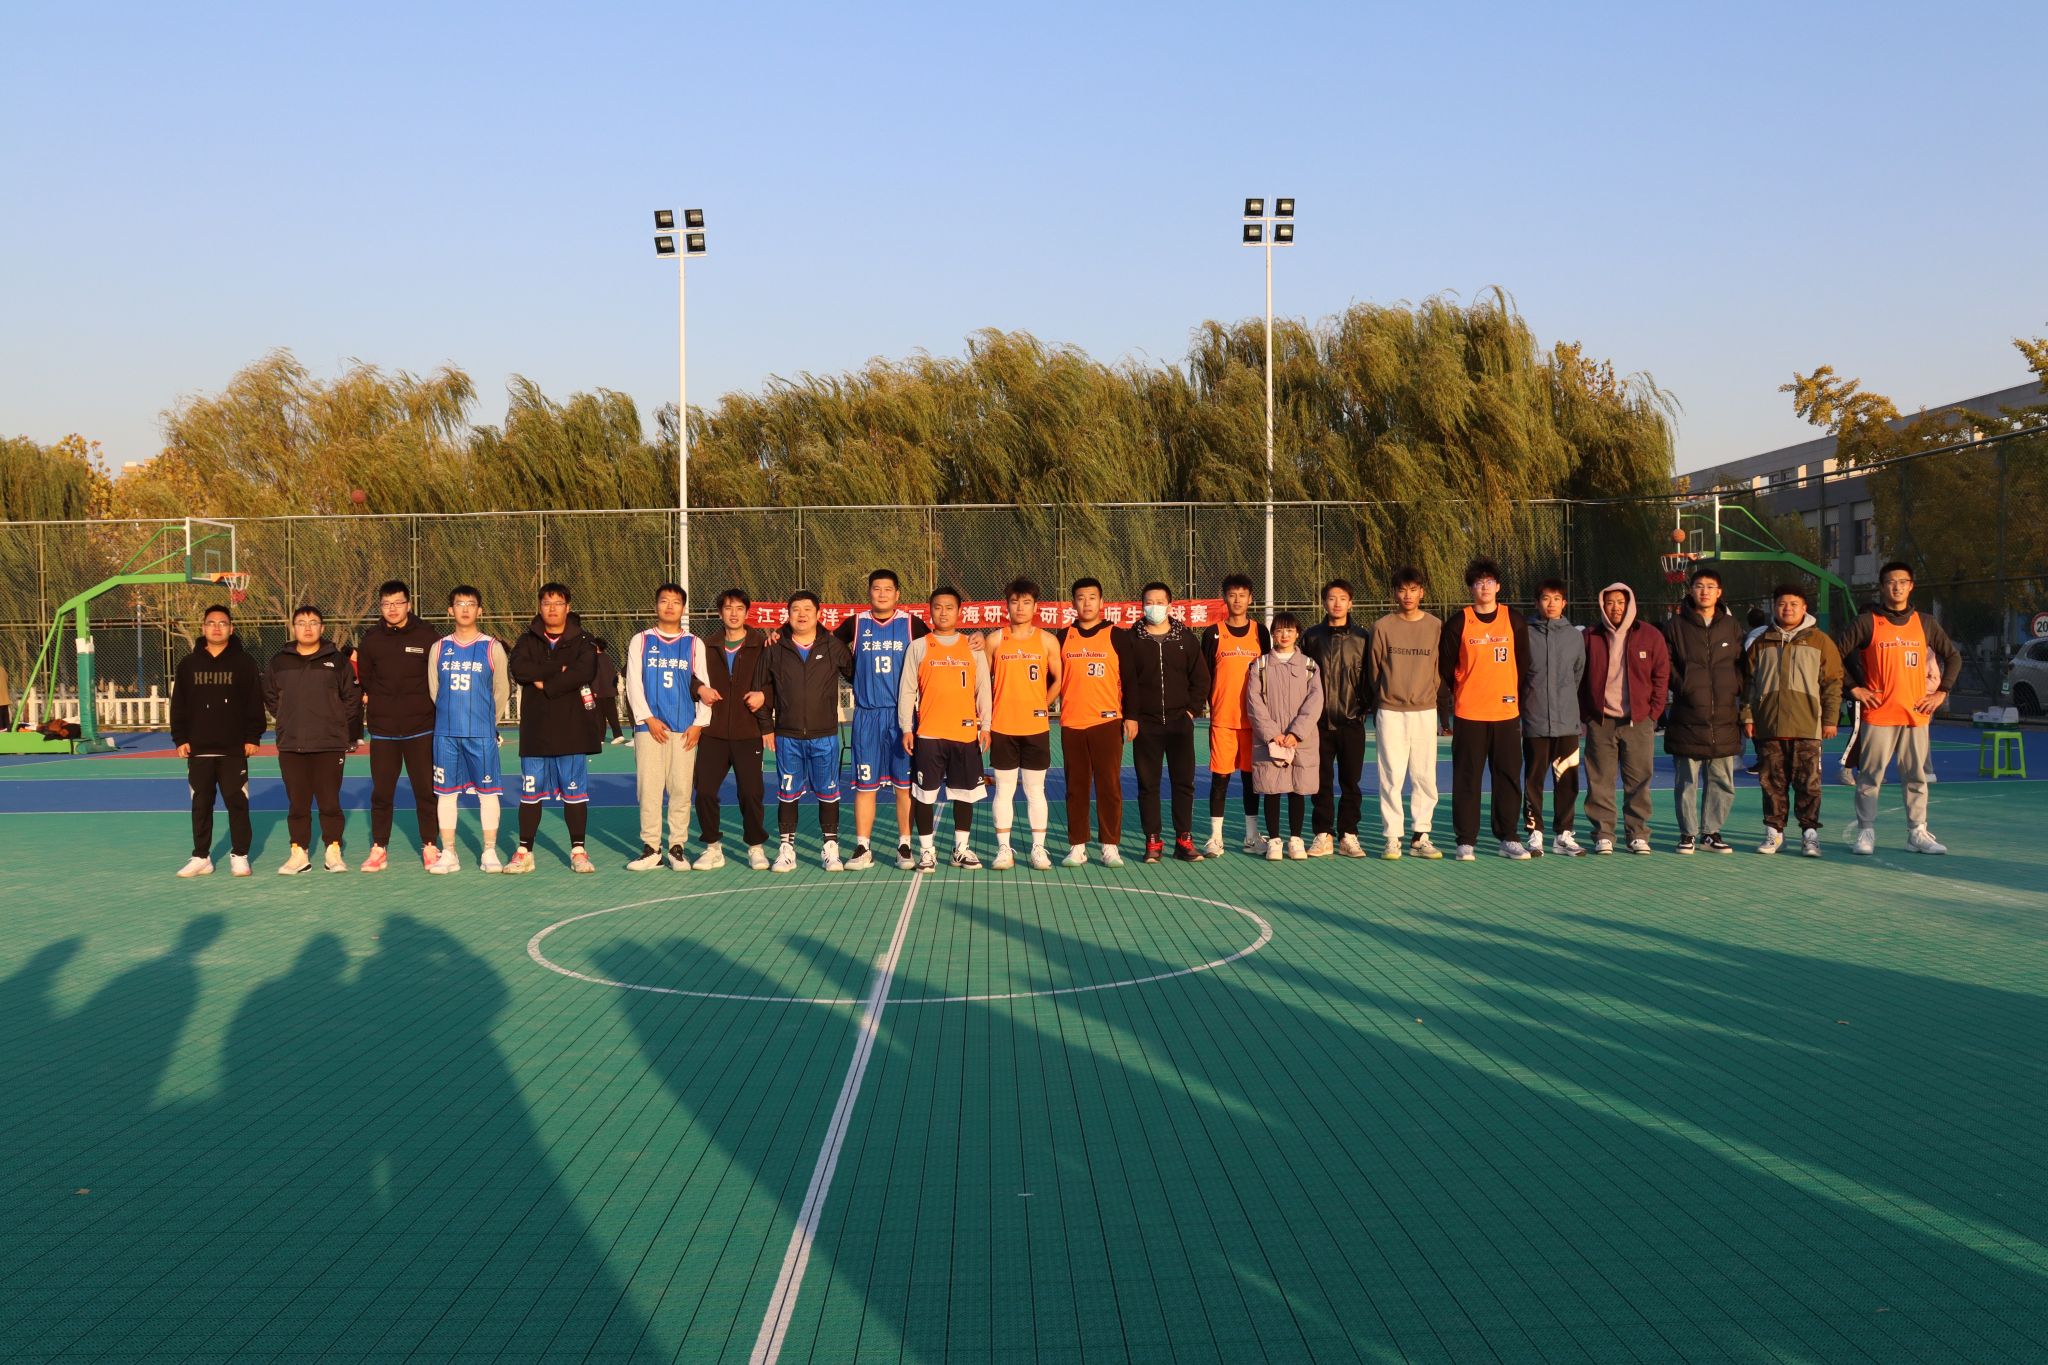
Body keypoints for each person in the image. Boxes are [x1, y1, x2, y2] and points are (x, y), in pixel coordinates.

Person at [1836, 561, 1962, 855]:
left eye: (1903, 582)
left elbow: (1953, 657)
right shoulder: (1867, 622)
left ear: (1911, 586)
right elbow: (1833, 655)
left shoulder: (1925, 623)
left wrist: (1941, 692)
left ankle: (1917, 833)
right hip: (1878, 714)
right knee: (1870, 777)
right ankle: (1866, 832)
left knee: (1916, 777)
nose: (1897, 587)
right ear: (1882, 587)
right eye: (1891, 582)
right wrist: (1853, 688)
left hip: (1916, 715)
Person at [835, 569, 928, 870]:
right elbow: (828, 646)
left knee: (904, 785)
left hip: (902, 717)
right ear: (869, 592)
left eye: (888, 589)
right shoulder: (856, 623)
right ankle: (863, 847)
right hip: (867, 714)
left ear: (898, 593)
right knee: (866, 785)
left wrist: (974, 639)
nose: (883, 594)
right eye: (877, 588)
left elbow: (939, 644)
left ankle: (905, 845)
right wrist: (853, 674)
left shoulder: (911, 624)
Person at [1440, 558, 1532, 860]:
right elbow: (1446, 667)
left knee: (1508, 777)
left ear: (1498, 586)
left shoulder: (1514, 620)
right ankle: (1466, 840)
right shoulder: (1459, 622)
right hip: (1470, 714)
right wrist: (1466, 689)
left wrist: (1508, 694)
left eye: (1489, 582)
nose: (1484, 587)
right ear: (1471, 588)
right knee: (1467, 779)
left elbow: (1523, 663)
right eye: (1478, 582)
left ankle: (1508, 837)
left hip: (1505, 713)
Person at [504, 583, 600, 874]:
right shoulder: (527, 639)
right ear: (540, 607)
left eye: (558, 603)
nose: (552, 608)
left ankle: (578, 851)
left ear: (568, 607)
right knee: (530, 793)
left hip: (572, 728)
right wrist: (558, 669)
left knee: (575, 794)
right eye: (547, 603)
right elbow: (519, 669)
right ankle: (524, 851)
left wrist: (546, 684)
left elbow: (584, 672)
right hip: (536, 730)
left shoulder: (583, 640)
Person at [1743, 584, 1843, 857]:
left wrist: (1830, 719)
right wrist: (1748, 715)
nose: (1787, 609)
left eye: (1793, 604)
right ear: (1774, 607)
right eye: (1781, 604)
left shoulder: (1820, 641)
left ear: (1804, 608)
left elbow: (1833, 683)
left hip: (1807, 726)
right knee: (1771, 783)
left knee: (1808, 784)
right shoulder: (1761, 641)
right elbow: (1748, 684)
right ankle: (1774, 833)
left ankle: (1810, 834)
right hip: (1769, 726)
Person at [898, 587, 992, 870]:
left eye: (949, 607)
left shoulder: (973, 647)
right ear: (930, 611)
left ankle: (960, 849)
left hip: (964, 734)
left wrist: (986, 725)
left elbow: (983, 688)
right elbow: (907, 690)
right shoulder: (919, 646)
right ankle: (927, 851)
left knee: (964, 794)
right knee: (924, 794)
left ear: (959, 612)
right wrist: (906, 727)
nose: (943, 612)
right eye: (938, 607)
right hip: (929, 734)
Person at [170, 604, 266, 877]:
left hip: (233, 749)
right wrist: (180, 738)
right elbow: (179, 705)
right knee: (201, 805)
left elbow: (253, 702)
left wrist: (253, 736)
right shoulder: (188, 665)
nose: (216, 627)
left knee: (237, 803)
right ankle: (201, 856)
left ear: (231, 629)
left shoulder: (244, 663)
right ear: (203, 628)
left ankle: (240, 855)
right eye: (211, 622)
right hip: (199, 749)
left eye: (222, 623)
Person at [763, 590, 856, 872]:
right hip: (787, 735)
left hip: (824, 735)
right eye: (795, 609)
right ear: (788, 615)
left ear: (818, 614)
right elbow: (763, 688)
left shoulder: (833, 646)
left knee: (828, 792)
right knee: (787, 791)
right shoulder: (775, 647)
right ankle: (786, 850)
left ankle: (830, 848)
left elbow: (856, 675)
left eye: (807, 609)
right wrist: (766, 726)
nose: (801, 614)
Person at [353, 579, 441, 873]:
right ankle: (379, 848)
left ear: (409, 605)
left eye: (398, 603)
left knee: (425, 792)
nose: (392, 609)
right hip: (384, 731)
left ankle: (430, 845)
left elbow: (436, 676)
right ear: (381, 607)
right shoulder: (371, 640)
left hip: (421, 728)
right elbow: (366, 678)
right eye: (386, 604)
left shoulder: (428, 636)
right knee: (382, 793)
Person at [265, 605, 361, 874]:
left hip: (329, 744)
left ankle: (333, 851)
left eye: (313, 622)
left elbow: (351, 699)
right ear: (293, 628)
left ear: (322, 628)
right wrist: (288, 718)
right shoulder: (279, 662)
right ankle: (299, 853)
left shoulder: (337, 661)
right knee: (298, 804)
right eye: (301, 623)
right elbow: (270, 696)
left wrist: (335, 723)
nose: (307, 628)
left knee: (330, 802)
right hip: (291, 743)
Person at [623, 584, 711, 872]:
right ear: (656, 605)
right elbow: (633, 683)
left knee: (681, 789)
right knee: (648, 789)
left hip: (684, 728)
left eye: (676, 602)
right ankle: (651, 848)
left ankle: (677, 847)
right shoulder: (641, 640)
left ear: (683, 608)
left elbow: (703, 683)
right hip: (650, 728)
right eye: (664, 601)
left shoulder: (694, 643)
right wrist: (647, 718)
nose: (670, 606)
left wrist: (699, 724)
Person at [1662, 565, 1748, 854]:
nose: (1705, 591)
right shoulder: (1676, 626)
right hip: (1688, 715)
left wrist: (1734, 687)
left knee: (1722, 779)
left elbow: (1742, 664)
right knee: (1687, 780)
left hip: (1723, 716)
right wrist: (1683, 685)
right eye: (1699, 586)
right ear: (1691, 590)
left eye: (1710, 587)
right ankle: (1687, 833)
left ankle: (1711, 833)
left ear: (1719, 592)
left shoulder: (1731, 626)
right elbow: (1666, 663)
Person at [1123, 582, 1211, 862]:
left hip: (1179, 723)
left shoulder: (1185, 638)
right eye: (1149, 602)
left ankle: (1184, 840)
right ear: (1141, 606)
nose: (1155, 607)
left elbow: (1201, 679)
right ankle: (1153, 841)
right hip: (1145, 724)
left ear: (1170, 606)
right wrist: (1131, 715)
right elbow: (1125, 682)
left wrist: (1191, 711)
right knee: (1148, 784)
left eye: (1160, 602)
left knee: (1183, 782)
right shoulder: (1131, 640)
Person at [424, 585, 510, 873]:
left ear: (479, 610)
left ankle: (489, 851)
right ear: (450, 610)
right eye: (459, 604)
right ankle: (449, 853)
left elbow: (501, 690)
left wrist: (487, 722)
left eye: (470, 604)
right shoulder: (439, 648)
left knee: (488, 792)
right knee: (446, 794)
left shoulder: (492, 647)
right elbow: (435, 690)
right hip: (446, 733)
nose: (464, 609)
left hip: (481, 733)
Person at [1579, 582, 1670, 854]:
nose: (1615, 608)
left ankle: (1638, 833)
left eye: (1620, 602)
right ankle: (1603, 833)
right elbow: (1578, 677)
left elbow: (1661, 675)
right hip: (1601, 721)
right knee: (1599, 781)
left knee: (1639, 780)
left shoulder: (1650, 635)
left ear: (1629, 605)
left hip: (1638, 720)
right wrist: (1586, 714)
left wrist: (1653, 713)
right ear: (1602, 606)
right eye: (1610, 603)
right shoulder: (1590, 636)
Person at [690, 588, 775, 870]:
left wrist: (765, 695)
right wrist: (700, 688)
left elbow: (777, 682)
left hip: (748, 732)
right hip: (712, 733)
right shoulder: (706, 646)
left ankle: (755, 846)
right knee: (704, 791)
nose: (734, 613)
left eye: (739, 608)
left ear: (747, 612)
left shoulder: (762, 645)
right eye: (728, 608)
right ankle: (713, 847)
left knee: (750, 793)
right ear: (720, 613)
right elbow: (688, 677)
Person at [985, 578, 1060, 869]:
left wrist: (1043, 704)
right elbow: (983, 682)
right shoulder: (995, 640)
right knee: (1003, 790)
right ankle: (1004, 849)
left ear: (1035, 606)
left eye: (1026, 602)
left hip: (1035, 729)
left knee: (1035, 790)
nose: (1020, 607)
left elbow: (1059, 679)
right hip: (1003, 727)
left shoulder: (1047, 640)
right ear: (1007, 605)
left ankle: (1038, 848)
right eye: (1015, 601)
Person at [1055, 577, 1129, 867]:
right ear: (1073, 603)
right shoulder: (1063, 637)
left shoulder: (1116, 635)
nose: (1086, 603)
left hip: (1107, 722)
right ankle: (1077, 846)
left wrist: (1132, 716)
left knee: (1109, 786)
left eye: (1092, 597)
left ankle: (1110, 846)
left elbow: (1131, 680)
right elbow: (1050, 677)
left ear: (1101, 602)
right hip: (1072, 723)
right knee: (1076, 788)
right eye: (1081, 598)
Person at [1370, 567, 1443, 859]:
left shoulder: (1435, 626)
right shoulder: (1382, 626)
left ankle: (1421, 835)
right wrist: (1386, 695)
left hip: (1425, 710)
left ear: (1421, 592)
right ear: (1394, 593)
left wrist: (1430, 695)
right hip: (1390, 710)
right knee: (1391, 775)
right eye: (1402, 590)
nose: (1407, 595)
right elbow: (1374, 668)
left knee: (1425, 775)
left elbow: (1440, 668)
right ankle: (1392, 837)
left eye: (1413, 589)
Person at [1199, 573, 1269, 857]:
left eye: (1242, 595)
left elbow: (1269, 673)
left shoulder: (1260, 632)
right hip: (1223, 721)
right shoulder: (1213, 633)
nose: (1237, 600)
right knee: (1221, 779)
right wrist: (1207, 705)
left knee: (1251, 780)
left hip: (1254, 721)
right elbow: (1204, 675)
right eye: (1232, 594)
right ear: (1224, 598)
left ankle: (1252, 836)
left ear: (1250, 598)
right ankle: (1215, 838)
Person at [1302, 578, 1371, 857]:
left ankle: (1348, 835)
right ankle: (1323, 834)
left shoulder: (1363, 638)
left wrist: (1361, 709)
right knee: (1320, 782)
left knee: (1351, 782)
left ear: (1350, 603)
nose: (1337, 603)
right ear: (1324, 603)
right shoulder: (1311, 637)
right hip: (1318, 724)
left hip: (1352, 722)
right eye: (1332, 598)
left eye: (1343, 598)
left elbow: (1369, 678)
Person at [1245, 612, 1322, 860]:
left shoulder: (1309, 666)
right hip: (1271, 740)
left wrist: (1297, 732)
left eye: (1289, 630)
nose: (1284, 635)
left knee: (1297, 789)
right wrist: (1272, 733)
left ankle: (1296, 839)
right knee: (1272, 788)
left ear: (1297, 633)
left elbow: (1315, 701)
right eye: (1279, 630)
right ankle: (1275, 840)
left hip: (1301, 740)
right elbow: (1254, 702)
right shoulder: (1260, 665)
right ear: (1273, 634)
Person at [1521, 578, 1587, 856]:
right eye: (1546, 598)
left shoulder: (1574, 637)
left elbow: (1577, 675)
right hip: (1535, 722)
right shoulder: (1524, 634)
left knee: (1567, 780)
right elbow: (1519, 676)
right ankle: (1534, 833)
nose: (1551, 603)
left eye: (1557, 598)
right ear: (1537, 602)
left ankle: (1563, 835)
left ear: (1564, 603)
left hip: (1567, 723)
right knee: (1534, 780)